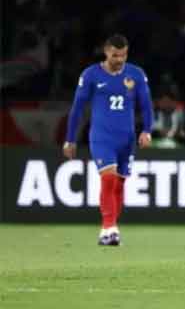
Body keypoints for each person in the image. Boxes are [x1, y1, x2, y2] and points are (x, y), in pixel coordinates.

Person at [63, 34, 153, 246]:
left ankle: (112, 228)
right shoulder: (91, 75)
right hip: (102, 137)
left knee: (119, 184)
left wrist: (147, 130)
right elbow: (77, 109)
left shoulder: (136, 74)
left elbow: (146, 105)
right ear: (106, 52)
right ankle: (107, 229)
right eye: (115, 55)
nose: (119, 59)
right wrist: (70, 139)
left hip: (127, 139)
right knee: (109, 179)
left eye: (123, 55)